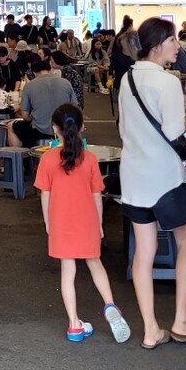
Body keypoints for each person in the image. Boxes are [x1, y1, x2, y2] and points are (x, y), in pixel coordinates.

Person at [117, 18, 186, 349]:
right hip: (165, 178)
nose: (178, 46)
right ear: (157, 45)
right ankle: (181, 321)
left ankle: (151, 329)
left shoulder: (127, 77)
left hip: (134, 176)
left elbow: (125, 128)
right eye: (173, 41)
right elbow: (172, 131)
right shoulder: (167, 82)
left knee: (144, 250)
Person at [35, 105, 131, 344]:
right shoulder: (89, 159)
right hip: (87, 219)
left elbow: (45, 194)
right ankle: (110, 305)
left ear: (54, 129)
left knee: (68, 272)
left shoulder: (47, 159)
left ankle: (74, 325)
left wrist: (48, 222)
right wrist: (99, 224)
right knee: (95, 263)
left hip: (60, 222)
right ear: (82, 128)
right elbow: (97, 195)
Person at [8, 54, 75, 148]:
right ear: (50, 70)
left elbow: (25, 115)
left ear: (34, 73)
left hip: (40, 130)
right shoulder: (66, 83)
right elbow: (75, 108)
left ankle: (19, 158)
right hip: (64, 127)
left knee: (11, 126)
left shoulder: (30, 85)